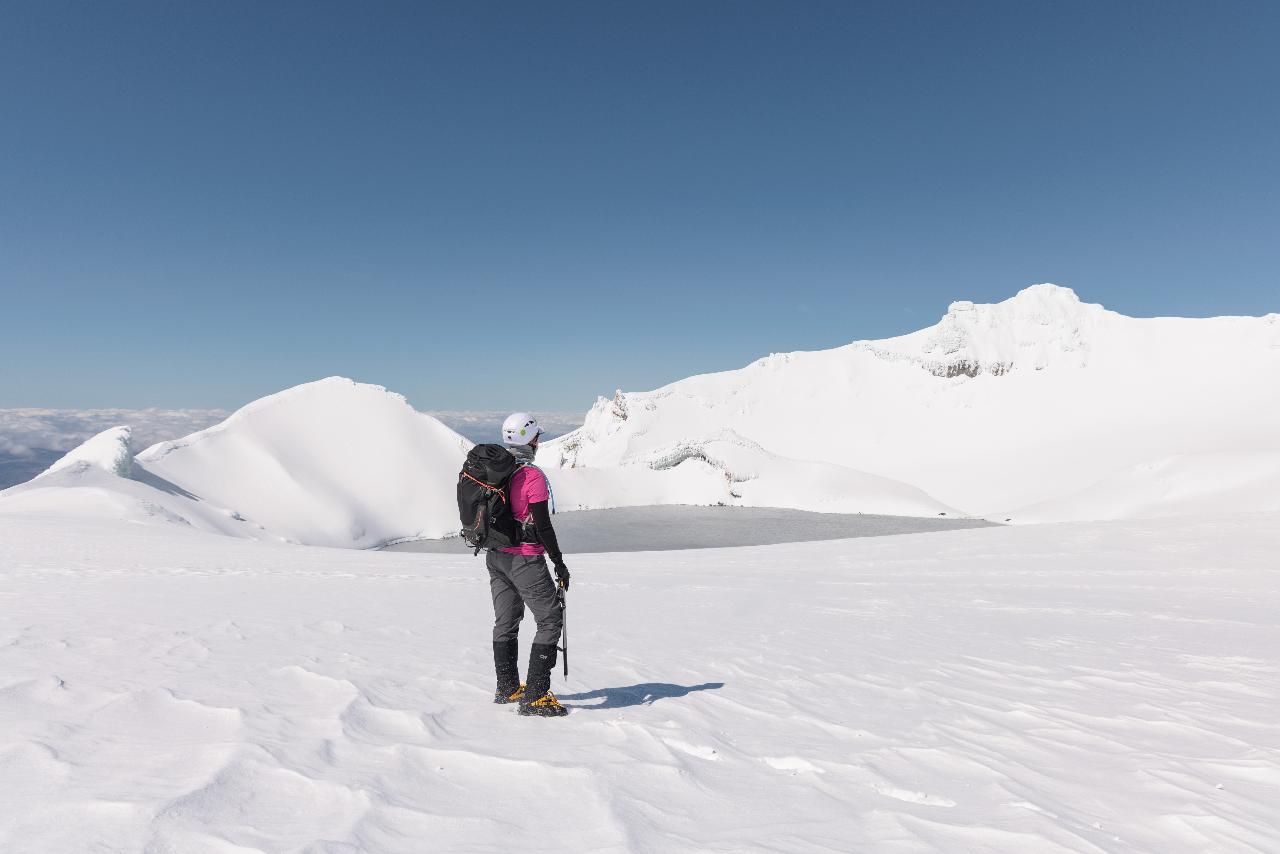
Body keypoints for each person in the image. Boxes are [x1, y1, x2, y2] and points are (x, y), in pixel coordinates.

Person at [488, 412, 571, 717]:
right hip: (525, 558)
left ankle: (508, 688)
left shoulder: (496, 471)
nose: (538, 441)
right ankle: (535, 696)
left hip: (495, 556)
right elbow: (543, 526)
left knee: (505, 622)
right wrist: (559, 563)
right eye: (537, 436)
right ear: (529, 438)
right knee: (550, 620)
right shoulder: (531, 476)